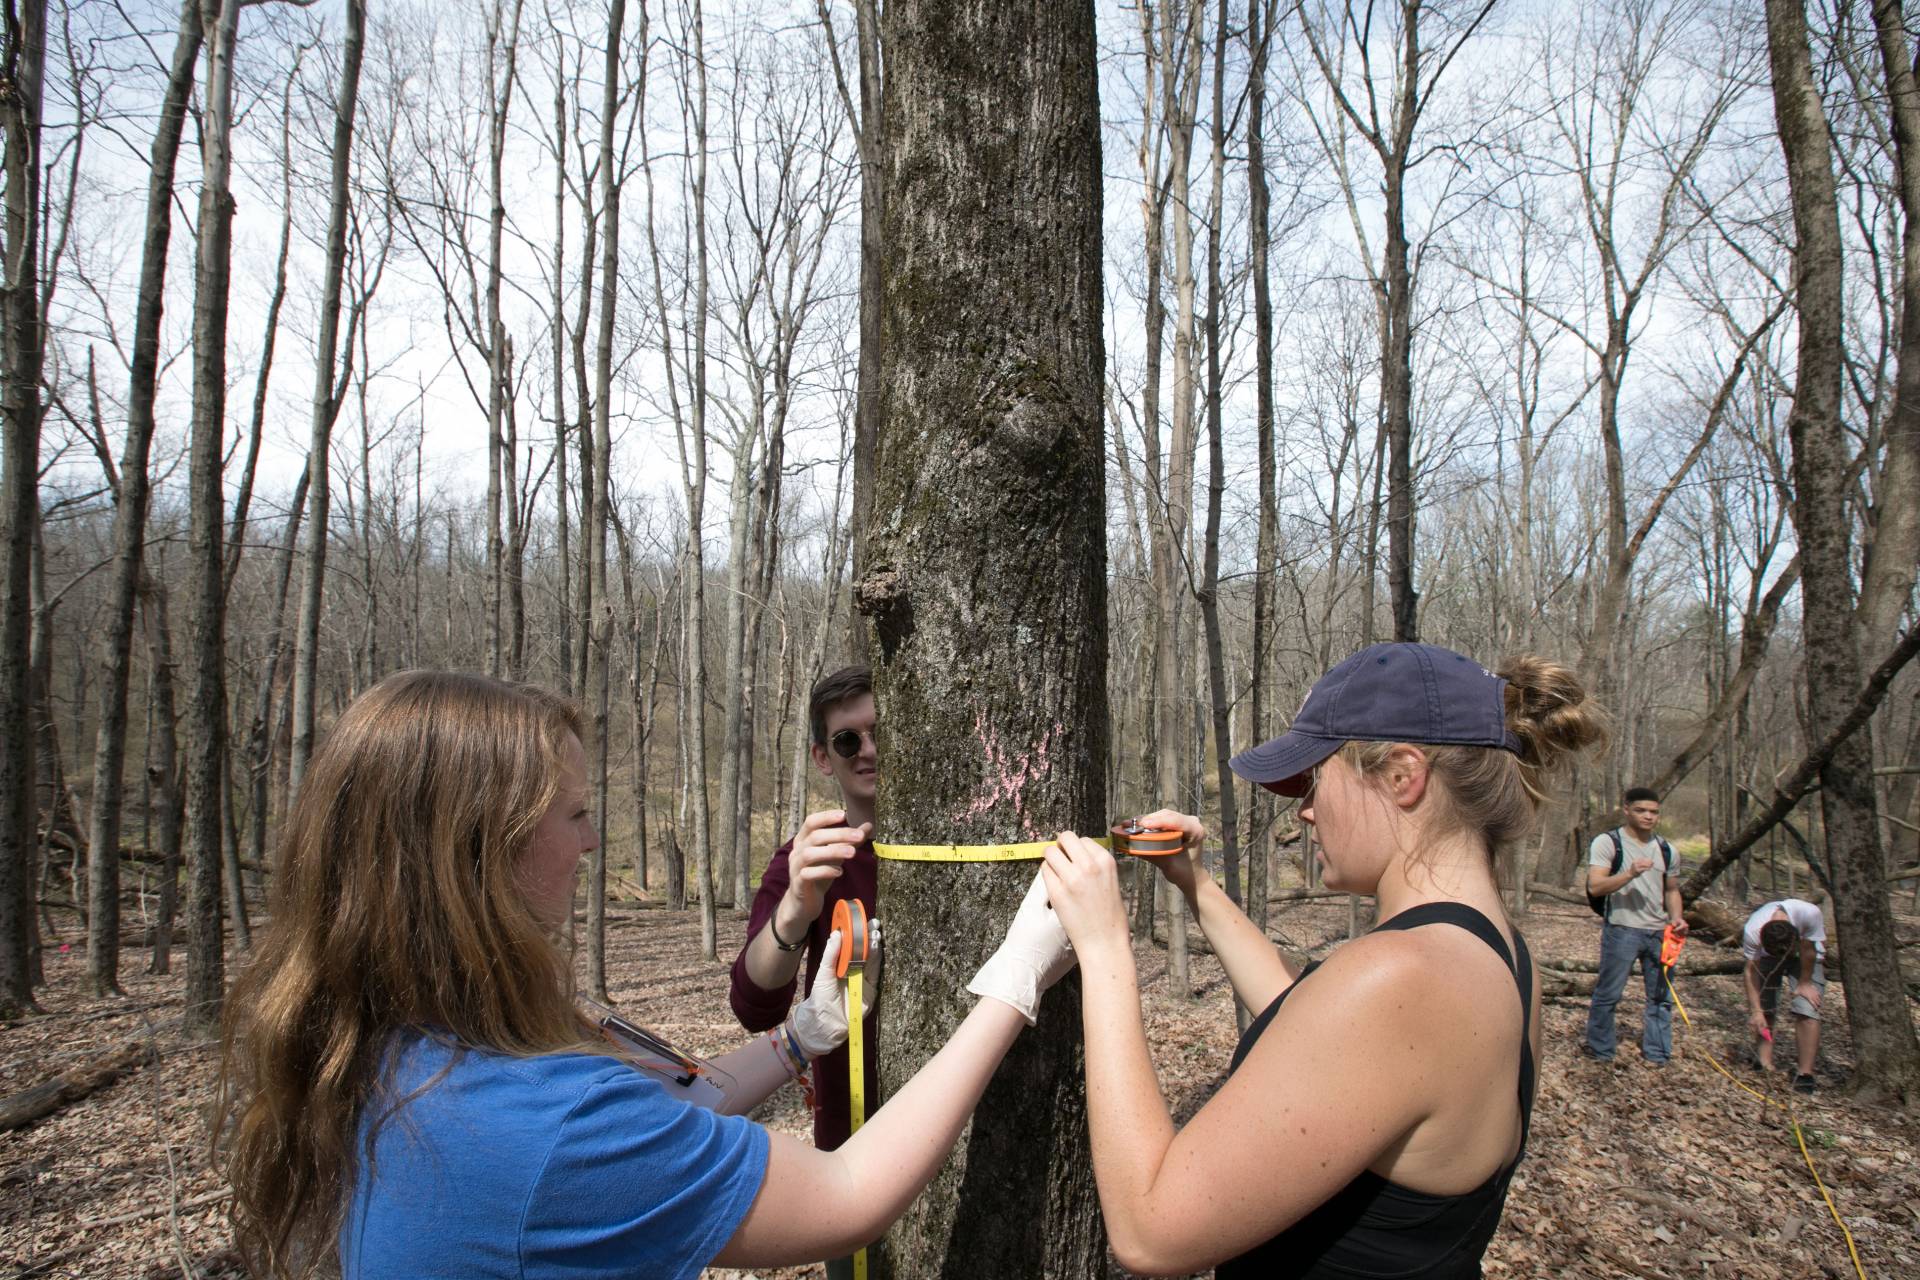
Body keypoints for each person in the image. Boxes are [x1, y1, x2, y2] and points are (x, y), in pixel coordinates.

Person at [215, 670, 1075, 1280]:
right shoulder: (550, 1127)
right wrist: (1018, 974)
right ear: (475, 855)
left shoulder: (390, 1045)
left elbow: (670, 1104)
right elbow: (848, 1193)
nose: (592, 843)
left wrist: (798, 1040)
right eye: (577, 814)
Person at [1040, 643, 1605, 1278]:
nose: (1304, 809)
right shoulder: (1495, 956)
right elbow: (1310, 1030)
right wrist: (1194, 882)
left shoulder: (1401, 977)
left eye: (1316, 778)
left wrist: (1105, 951)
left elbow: (1149, 1235)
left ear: (1402, 775)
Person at [730, 666, 878, 1161]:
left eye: (882, 734)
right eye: (847, 741)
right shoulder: (807, 859)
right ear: (822, 757)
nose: (869, 752)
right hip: (854, 1130)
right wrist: (795, 908)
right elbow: (755, 1005)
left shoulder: (964, 847)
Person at [1581, 786, 1688, 1066]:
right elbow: (1596, 885)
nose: (1648, 817)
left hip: (1659, 933)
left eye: (1654, 812)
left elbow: (1672, 890)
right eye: (1641, 810)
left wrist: (1676, 918)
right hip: (1621, 929)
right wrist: (1629, 873)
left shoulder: (1667, 850)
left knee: (1661, 997)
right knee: (1609, 994)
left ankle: (1658, 1053)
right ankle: (1600, 1050)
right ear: (1626, 809)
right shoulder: (1608, 843)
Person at [1740, 897, 1828, 1093]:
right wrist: (1756, 1010)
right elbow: (1750, 971)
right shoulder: (1753, 931)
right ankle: (1763, 1064)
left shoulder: (1809, 914)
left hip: (1805, 956)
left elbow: (1808, 951)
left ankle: (1805, 1075)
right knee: (1765, 1009)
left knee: (1807, 1008)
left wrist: (1805, 983)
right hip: (1767, 958)